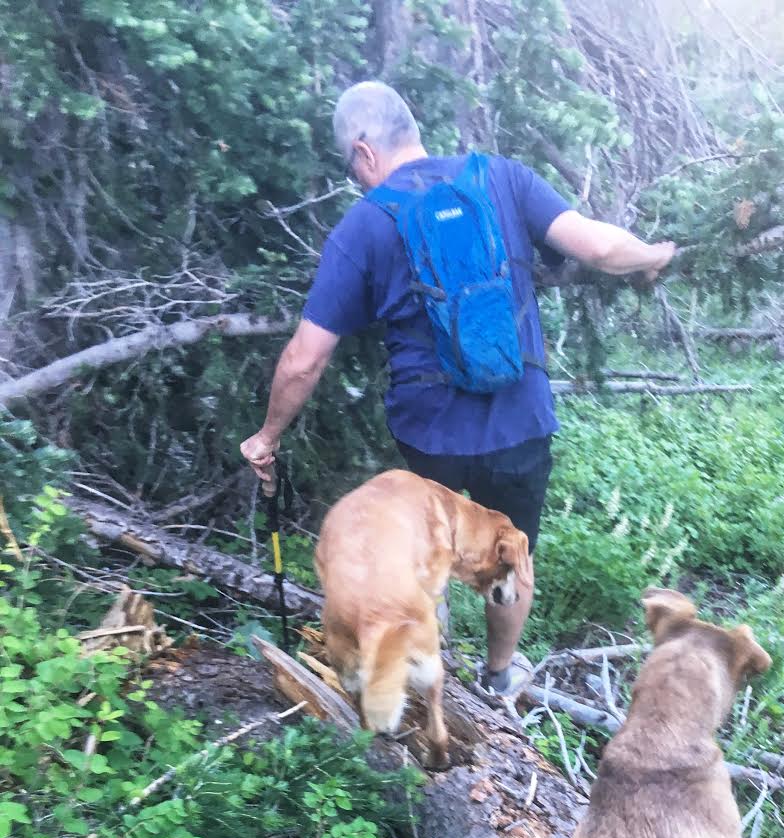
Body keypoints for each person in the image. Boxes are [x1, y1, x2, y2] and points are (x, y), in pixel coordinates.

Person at [240, 81, 674, 694]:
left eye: (349, 165)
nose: (354, 176)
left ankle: (427, 675)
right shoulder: (501, 178)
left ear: (364, 152)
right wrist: (655, 253)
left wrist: (268, 435)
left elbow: (304, 360)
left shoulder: (363, 225)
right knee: (513, 554)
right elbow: (601, 248)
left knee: (426, 559)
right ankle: (499, 677)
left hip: (430, 434)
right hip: (519, 420)